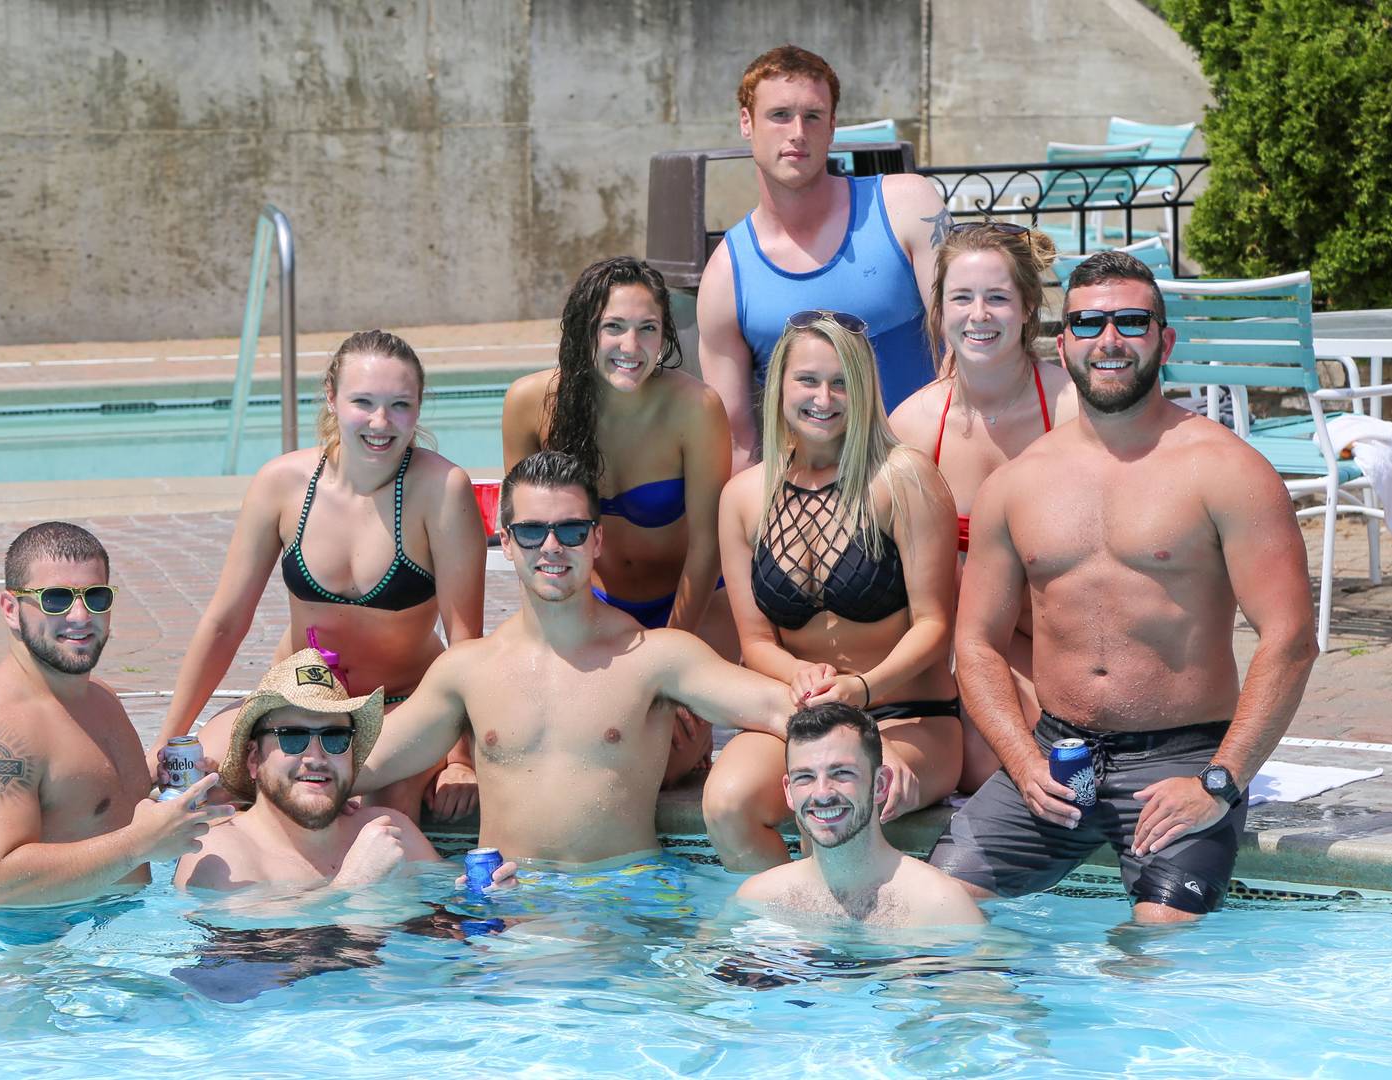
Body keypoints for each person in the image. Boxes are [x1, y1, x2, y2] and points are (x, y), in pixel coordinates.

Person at [932, 251, 1318, 923]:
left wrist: (1219, 783)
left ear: (1164, 341)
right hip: (1057, 755)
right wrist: (1023, 762)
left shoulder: (1227, 471)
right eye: (1088, 324)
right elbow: (977, 645)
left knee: (1158, 948)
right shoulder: (1017, 485)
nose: (1109, 341)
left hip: (1183, 757)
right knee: (928, 914)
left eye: (1131, 321)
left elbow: (1290, 640)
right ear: (1064, 343)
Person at [352, 451, 798, 866]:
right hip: (508, 912)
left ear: (596, 540)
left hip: (622, 908)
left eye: (571, 531)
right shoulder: (467, 671)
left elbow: (782, 710)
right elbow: (359, 763)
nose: (551, 546)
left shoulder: (655, 658)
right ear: (505, 542)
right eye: (531, 531)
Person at [153, 330, 487, 825]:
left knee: (380, 817)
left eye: (399, 405)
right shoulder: (282, 485)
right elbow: (225, 622)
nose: (380, 422)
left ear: (419, 407)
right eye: (363, 402)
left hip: (402, 707)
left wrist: (461, 760)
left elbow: (466, 644)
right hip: (297, 702)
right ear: (331, 398)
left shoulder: (440, 491)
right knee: (204, 794)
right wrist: (168, 739)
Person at [704, 311, 962, 873]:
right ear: (778, 387)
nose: (824, 397)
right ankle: (786, 943)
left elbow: (934, 625)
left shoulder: (904, 479)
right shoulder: (744, 498)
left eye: (841, 381)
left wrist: (862, 691)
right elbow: (754, 641)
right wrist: (798, 676)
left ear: (865, 388)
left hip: (906, 714)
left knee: (849, 802)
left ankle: (869, 952)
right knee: (727, 807)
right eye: (808, 380)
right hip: (799, 716)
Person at [502, 256, 734, 784]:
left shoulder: (694, 408)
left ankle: (693, 745)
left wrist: (670, 671)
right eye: (614, 327)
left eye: (647, 329)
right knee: (547, 744)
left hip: (692, 608)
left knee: (654, 766)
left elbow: (707, 547)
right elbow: (526, 540)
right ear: (586, 330)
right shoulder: (530, 404)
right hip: (593, 604)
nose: (631, 347)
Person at [0, 522, 234, 907]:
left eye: (95, 597)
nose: (80, 615)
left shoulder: (100, 698)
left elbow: (92, 804)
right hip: (37, 954)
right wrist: (139, 844)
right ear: (11, 609)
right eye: (56, 599)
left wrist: (179, 795)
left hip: (112, 931)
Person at [697, 44, 951, 471]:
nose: (797, 131)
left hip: (929, 478)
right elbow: (738, 442)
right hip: (814, 511)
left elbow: (962, 353)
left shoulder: (907, 204)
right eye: (779, 115)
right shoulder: (726, 274)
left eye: (812, 116)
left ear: (832, 126)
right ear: (746, 123)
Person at [888, 223, 1078, 794]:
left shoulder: (1071, 410)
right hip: (950, 648)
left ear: (1026, 309)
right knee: (982, 764)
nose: (980, 315)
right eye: (962, 298)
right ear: (939, 310)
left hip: (1054, 640)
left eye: (997, 298)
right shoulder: (914, 427)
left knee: (1049, 758)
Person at [174, 649, 517, 893]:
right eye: (292, 738)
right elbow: (242, 978)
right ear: (253, 758)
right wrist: (353, 886)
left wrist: (483, 898)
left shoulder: (388, 830)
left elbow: (447, 917)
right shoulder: (219, 854)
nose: (316, 755)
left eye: (335, 737)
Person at [733, 703, 983, 928]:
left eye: (841, 773)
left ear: (881, 784)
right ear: (789, 792)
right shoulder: (759, 899)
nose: (821, 794)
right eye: (805, 777)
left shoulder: (940, 907)